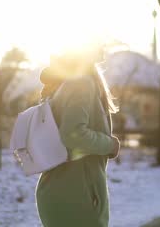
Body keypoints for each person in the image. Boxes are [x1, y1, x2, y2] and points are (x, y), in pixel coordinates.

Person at [35, 43, 120, 227]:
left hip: (64, 190)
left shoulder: (64, 84)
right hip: (76, 196)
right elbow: (72, 135)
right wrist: (109, 145)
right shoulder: (81, 83)